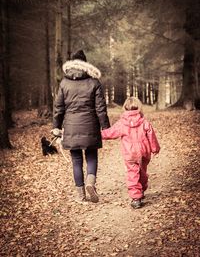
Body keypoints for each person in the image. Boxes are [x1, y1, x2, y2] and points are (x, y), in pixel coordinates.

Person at [52, 50, 110, 203]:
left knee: (76, 159)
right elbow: (101, 108)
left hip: (71, 126)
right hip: (90, 125)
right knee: (91, 156)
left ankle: (81, 196)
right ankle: (91, 183)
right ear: (85, 64)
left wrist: (56, 126)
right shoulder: (94, 82)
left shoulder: (64, 83)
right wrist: (106, 127)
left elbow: (58, 107)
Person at [101, 97, 160, 209]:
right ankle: (140, 191)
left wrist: (96, 135)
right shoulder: (144, 122)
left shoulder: (122, 123)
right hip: (144, 152)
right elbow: (151, 136)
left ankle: (136, 198)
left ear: (125, 107)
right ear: (139, 107)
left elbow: (110, 133)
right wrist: (155, 148)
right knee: (142, 173)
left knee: (133, 174)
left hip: (130, 154)